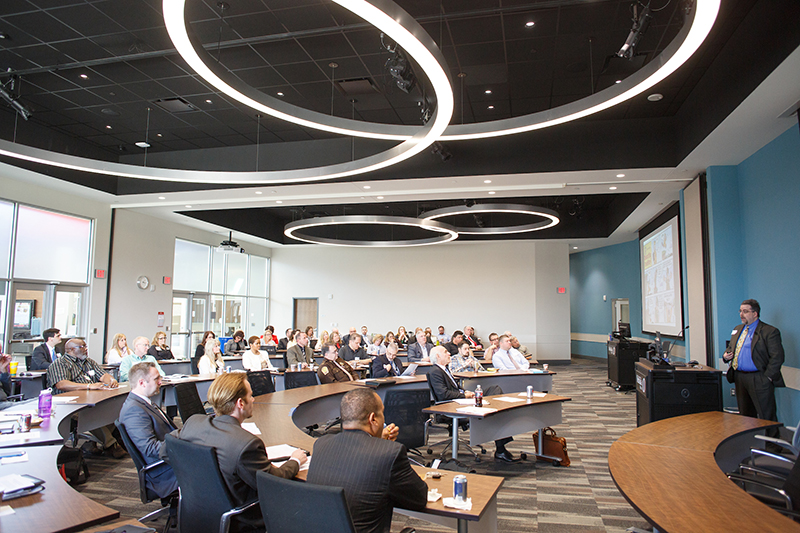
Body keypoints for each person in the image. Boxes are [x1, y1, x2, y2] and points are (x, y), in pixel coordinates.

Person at [165, 372, 307, 530]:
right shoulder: (247, 444)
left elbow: (165, 450)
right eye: (251, 396)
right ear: (240, 403)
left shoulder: (193, 423)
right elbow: (273, 482)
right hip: (239, 519)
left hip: (194, 513)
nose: (253, 400)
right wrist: (295, 461)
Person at [307, 388, 428, 533]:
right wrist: (382, 446)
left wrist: (378, 442)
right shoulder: (390, 453)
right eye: (382, 413)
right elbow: (419, 499)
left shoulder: (321, 444)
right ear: (373, 419)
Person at [428, 346, 515, 462]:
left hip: (461, 401)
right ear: (438, 356)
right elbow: (444, 395)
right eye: (445, 352)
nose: (449, 353)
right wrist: (464, 396)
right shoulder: (435, 372)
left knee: (495, 390)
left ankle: (499, 435)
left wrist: (466, 392)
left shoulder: (445, 369)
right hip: (452, 406)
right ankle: (500, 447)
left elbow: (455, 389)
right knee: (494, 410)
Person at [47, 338, 126, 457]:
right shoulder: (60, 363)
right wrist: (89, 386)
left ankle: (93, 442)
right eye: (82, 347)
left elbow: (102, 375)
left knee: (114, 412)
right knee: (91, 416)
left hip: (93, 401)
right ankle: (111, 444)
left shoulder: (89, 362)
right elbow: (61, 384)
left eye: (85, 346)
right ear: (71, 350)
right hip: (70, 405)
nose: (86, 349)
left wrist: (111, 380)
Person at [723, 299, 785, 441]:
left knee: (766, 415)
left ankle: (772, 446)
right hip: (740, 377)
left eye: (745, 311)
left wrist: (767, 377)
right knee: (745, 414)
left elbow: (777, 357)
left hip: (759, 378)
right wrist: (725, 355)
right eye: (740, 311)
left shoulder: (769, 332)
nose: (741, 314)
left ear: (755, 313)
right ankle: (749, 444)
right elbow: (731, 348)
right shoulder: (738, 329)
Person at [119, 362, 178, 498]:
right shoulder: (134, 410)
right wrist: (183, 446)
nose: (160, 382)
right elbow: (150, 448)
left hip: (169, 460)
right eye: (156, 379)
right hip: (162, 471)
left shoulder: (144, 403)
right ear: (142, 382)